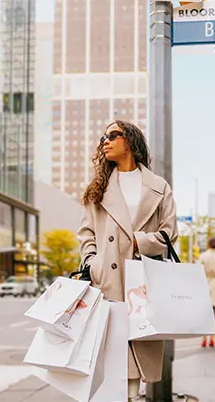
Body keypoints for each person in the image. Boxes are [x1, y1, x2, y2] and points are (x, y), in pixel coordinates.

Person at [78, 120, 177, 401]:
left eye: (112, 135)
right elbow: (86, 232)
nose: (105, 141)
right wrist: (92, 261)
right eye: (103, 137)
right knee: (110, 355)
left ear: (130, 141)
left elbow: (170, 233)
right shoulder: (97, 188)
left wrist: (139, 242)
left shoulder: (159, 187)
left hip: (142, 278)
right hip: (107, 279)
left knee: (137, 349)